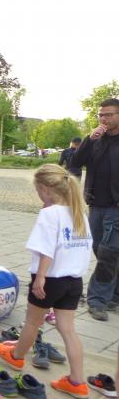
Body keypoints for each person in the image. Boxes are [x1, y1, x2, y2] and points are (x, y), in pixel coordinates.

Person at [0, 164, 92, 399]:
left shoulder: (49, 215)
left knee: (32, 322)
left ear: (46, 189)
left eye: (37, 190)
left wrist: (40, 277)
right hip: (74, 281)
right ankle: (77, 382)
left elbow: (46, 250)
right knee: (68, 330)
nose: (38, 195)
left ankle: (16, 356)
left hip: (50, 279)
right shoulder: (79, 214)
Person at [70, 98, 119, 322]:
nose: (104, 119)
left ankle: (97, 300)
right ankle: (114, 294)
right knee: (100, 249)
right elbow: (76, 162)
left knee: (109, 252)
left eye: (109, 114)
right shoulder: (95, 141)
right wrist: (89, 140)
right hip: (96, 204)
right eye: (101, 115)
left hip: (116, 208)